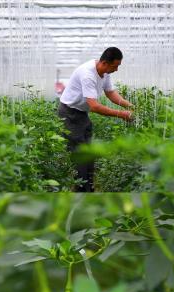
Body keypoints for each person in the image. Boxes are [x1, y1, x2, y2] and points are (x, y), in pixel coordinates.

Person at [57, 47, 134, 192]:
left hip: (81, 114)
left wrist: (130, 105)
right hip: (69, 114)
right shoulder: (88, 74)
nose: (116, 69)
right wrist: (122, 114)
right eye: (115, 66)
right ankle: (80, 190)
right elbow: (94, 107)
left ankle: (89, 187)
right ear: (105, 63)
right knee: (79, 154)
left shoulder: (104, 72)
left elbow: (110, 93)